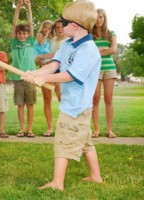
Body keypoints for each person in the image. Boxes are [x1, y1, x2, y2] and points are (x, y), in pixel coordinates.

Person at [23, 0, 103, 190]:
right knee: (85, 142)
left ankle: (57, 183)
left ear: (74, 26)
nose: (60, 26)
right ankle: (96, 176)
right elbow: (54, 64)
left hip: (76, 107)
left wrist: (46, 79)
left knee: (63, 142)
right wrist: (36, 74)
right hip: (73, 104)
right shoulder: (68, 44)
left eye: (63, 22)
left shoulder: (89, 51)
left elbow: (71, 75)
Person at [36, 19, 68, 137]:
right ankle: (50, 128)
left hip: (61, 72)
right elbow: (41, 49)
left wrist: (42, 56)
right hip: (48, 70)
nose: (60, 29)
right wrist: (39, 59)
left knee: (62, 100)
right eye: (57, 27)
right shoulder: (51, 41)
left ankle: (65, 127)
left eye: (62, 27)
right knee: (47, 99)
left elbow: (57, 55)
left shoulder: (68, 41)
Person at [11, 0, 36, 138]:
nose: (22, 35)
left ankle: (30, 129)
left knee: (30, 104)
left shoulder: (30, 42)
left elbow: (30, 24)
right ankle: (22, 129)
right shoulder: (14, 43)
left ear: (27, 34)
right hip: (17, 78)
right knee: (20, 105)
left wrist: (29, 7)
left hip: (30, 76)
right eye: (19, 33)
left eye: (24, 33)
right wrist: (18, 8)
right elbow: (14, 25)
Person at [91, 8, 118, 138]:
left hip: (109, 68)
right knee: (95, 99)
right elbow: (88, 52)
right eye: (96, 17)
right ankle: (96, 129)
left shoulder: (111, 33)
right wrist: (102, 49)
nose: (98, 19)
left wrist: (98, 50)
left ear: (104, 18)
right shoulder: (90, 35)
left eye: (101, 17)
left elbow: (113, 50)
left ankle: (109, 130)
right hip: (95, 69)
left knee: (108, 99)